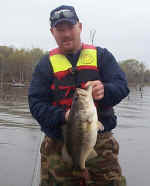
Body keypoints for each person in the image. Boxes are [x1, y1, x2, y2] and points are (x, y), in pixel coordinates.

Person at [28, 5, 129, 186]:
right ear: (53, 32)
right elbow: (35, 104)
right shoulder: (45, 64)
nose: (66, 34)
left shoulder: (102, 56)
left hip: (101, 145)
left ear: (79, 27)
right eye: (60, 30)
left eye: (70, 28)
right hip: (58, 147)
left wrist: (106, 90)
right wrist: (63, 116)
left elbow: (122, 86)